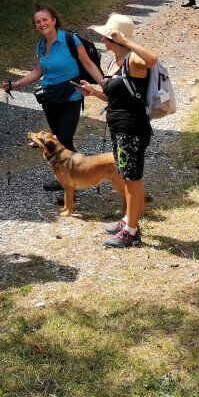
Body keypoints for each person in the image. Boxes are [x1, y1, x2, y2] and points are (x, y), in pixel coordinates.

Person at [1, 5, 104, 192]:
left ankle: (74, 182)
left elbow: (88, 64)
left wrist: (105, 85)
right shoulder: (40, 45)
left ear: (54, 20)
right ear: (35, 27)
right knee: (59, 142)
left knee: (64, 138)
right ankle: (71, 178)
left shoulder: (70, 39)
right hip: (50, 98)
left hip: (71, 95)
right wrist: (15, 85)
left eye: (45, 20)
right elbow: (38, 71)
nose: (42, 24)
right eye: (38, 22)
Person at [77, 14, 158, 248]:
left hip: (132, 129)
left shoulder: (133, 60)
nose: (103, 39)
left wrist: (127, 40)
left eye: (107, 36)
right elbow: (116, 96)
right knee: (126, 177)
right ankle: (128, 221)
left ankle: (131, 232)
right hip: (119, 128)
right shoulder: (115, 62)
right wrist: (94, 92)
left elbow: (152, 59)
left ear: (117, 38)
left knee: (133, 181)